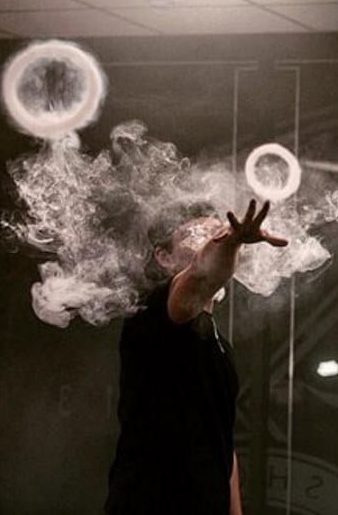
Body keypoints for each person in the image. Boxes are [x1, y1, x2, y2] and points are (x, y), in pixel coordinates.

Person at [105, 199, 287, 515]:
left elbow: (221, 439)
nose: (209, 241)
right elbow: (202, 275)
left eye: (214, 232)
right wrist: (230, 242)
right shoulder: (152, 311)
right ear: (164, 257)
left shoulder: (219, 345)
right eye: (195, 235)